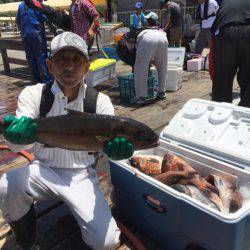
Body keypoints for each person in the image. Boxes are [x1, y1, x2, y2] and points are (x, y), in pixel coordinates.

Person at [0, 32, 134, 250]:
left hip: (81, 175)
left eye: (76, 60)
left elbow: (109, 147)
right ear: (50, 65)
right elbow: (19, 143)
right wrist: (15, 137)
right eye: (62, 59)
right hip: (41, 170)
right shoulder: (33, 95)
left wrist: (116, 154)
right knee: (7, 184)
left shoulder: (100, 102)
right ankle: (28, 242)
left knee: (107, 243)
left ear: (86, 66)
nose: (69, 67)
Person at [210, 0, 250, 107]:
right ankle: (246, 111)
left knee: (222, 79)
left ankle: (219, 113)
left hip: (225, 30)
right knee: (247, 79)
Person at [130, 12, 168, 104]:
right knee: (162, 67)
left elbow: (137, 48)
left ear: (148, 21)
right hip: (163, 38)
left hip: (147, 39)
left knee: (140, 69)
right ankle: (162, 92)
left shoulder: (143, 32)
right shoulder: (161, 31)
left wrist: (145, 60)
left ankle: (140, 97)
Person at [16, 0, 52, 84]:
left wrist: (22, 31)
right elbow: (46, 18)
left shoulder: (21, 5)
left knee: (30, 57)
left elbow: (17, 20)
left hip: (25, 35)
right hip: (36, 34)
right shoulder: (36, 4)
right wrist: (53, 30)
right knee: (41, 56)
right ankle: (46, 81)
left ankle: (35, 80)